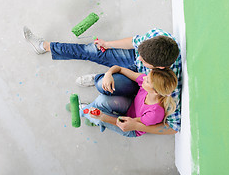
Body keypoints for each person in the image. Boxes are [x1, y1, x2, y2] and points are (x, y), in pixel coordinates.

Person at [23, 27, 182, 134]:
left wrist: (135, 125)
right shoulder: (157, 38)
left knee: (103, 91)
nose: (139, 58)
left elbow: (173, 127)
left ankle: (93, 101)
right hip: (140, 78)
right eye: (140, 53)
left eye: (144, 60)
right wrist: (107, 45)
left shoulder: (169, 87)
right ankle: (44, 46)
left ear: (160, 67)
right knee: (92, 51)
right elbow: (134, 42)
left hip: (141, 84)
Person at [80, 65, 177, 137]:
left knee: (98, 118)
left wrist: (102, 117)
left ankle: (89, 114)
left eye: (147, 80)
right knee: (102, 100)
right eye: (147, 76)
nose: (144, 77)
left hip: (131, 127)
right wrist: (108, 73)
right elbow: (119, 69)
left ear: (155, 92)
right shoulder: (144, 82)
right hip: (131, 106)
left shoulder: (155, 113)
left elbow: (124, 123)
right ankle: (93, 115)